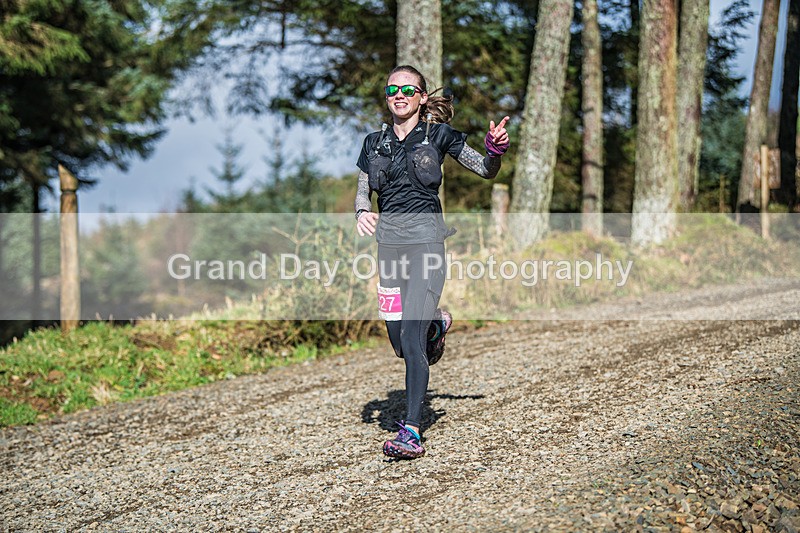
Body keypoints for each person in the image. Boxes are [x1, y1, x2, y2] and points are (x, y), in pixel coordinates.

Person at [354, 65, 509, 459]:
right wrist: (361, 212)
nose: (399, 95)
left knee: (411, 337)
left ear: (422, 98)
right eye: (392, 89)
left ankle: (411, 431)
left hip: (426, 246)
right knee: (398, 343)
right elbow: (362, 191)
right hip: (389, 252)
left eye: (409, 90)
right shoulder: (373, 143)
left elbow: (485, 169)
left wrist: (495, 150)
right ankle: (437, 325)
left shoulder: (438, 135)